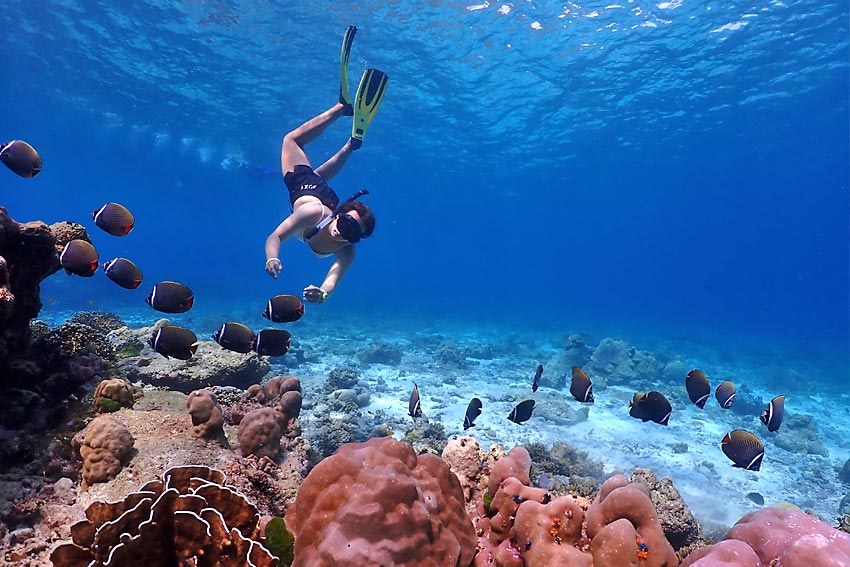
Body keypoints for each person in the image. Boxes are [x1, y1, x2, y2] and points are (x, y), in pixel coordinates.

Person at [264, 26, 388, 303]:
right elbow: (275, 236)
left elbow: (333, 278)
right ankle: (340, 108)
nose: (342, 231)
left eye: (351, 232)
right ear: (338, 215)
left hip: (322, 192)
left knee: (318, 176)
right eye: (345, 223)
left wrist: (322, 293)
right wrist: (272, 257)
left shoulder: (347, 251)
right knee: (292, 141)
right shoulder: (312, 213)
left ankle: (350, 145)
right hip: (308, 194)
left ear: (358, 238)